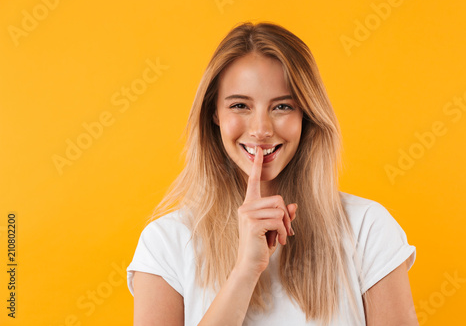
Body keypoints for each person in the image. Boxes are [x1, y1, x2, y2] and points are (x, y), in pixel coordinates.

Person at [126, 21, 418, 325]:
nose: (261, 130)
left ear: (307, 114)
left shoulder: (368, 229)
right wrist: (245, 271)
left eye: (282, 107)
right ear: (214, 113)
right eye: (240, 105)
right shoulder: (165, 242)